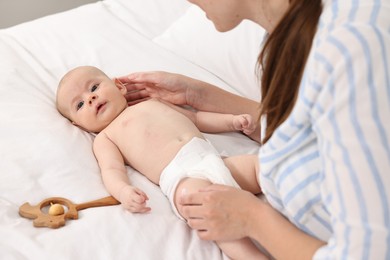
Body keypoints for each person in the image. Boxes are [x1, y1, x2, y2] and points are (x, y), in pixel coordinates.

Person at [118, 0, 390, 259]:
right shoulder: (287, 37)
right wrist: (197, 95)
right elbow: (306, 129)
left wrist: (251, 219)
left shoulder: (351, 48)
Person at [56, 65, 268, 260]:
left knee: (263, 166)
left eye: (94, 87)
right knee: (213, 216)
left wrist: (231, 121)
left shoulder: (153, 103)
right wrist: (123, 192)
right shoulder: (106, 138)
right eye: (80, 104)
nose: (91, 98)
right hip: (184, 180)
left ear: (119, 86)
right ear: (80, 126)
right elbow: (111, 170)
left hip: (216, 160)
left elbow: (196, 119)